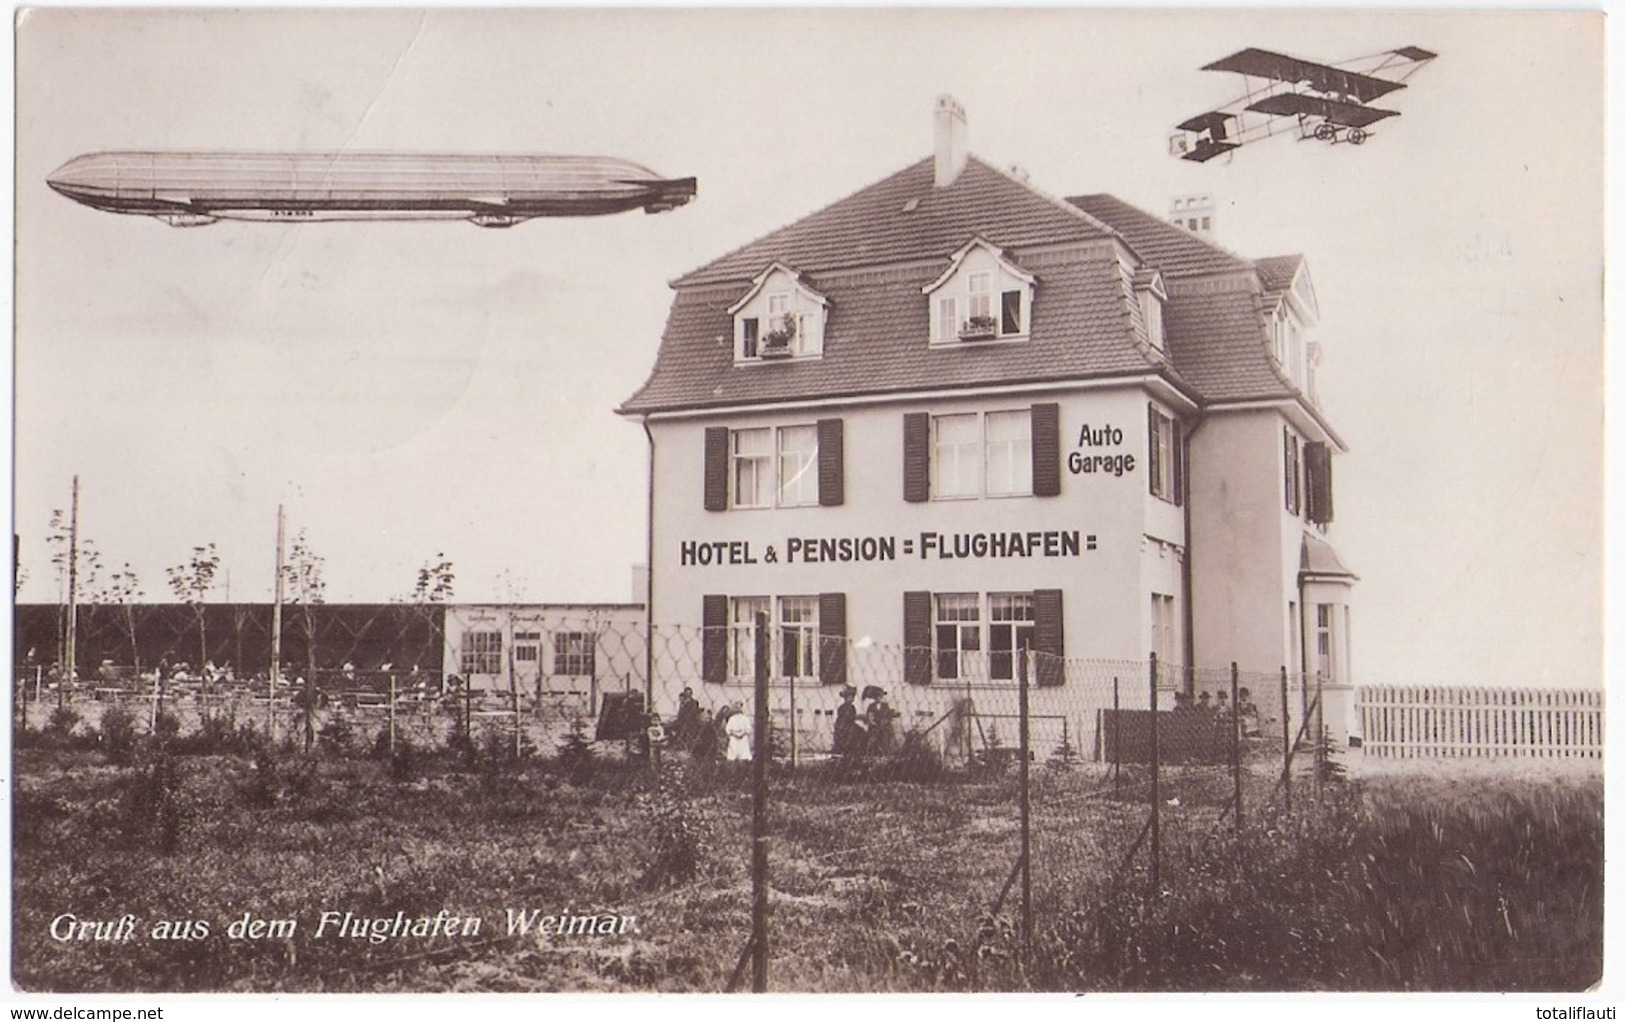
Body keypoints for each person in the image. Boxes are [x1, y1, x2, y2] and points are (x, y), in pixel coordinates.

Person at [832, 685, 860, 756]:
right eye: (850, 697)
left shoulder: (852, 707)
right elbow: (846, 718)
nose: (852, 699)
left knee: (860, 731)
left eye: (852, 697)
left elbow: (852, 718)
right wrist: (858, 717)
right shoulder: (842, 708)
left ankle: (856, 750)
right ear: (846, 698)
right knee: (852, 732)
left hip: (850, 725)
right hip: (843, 726)